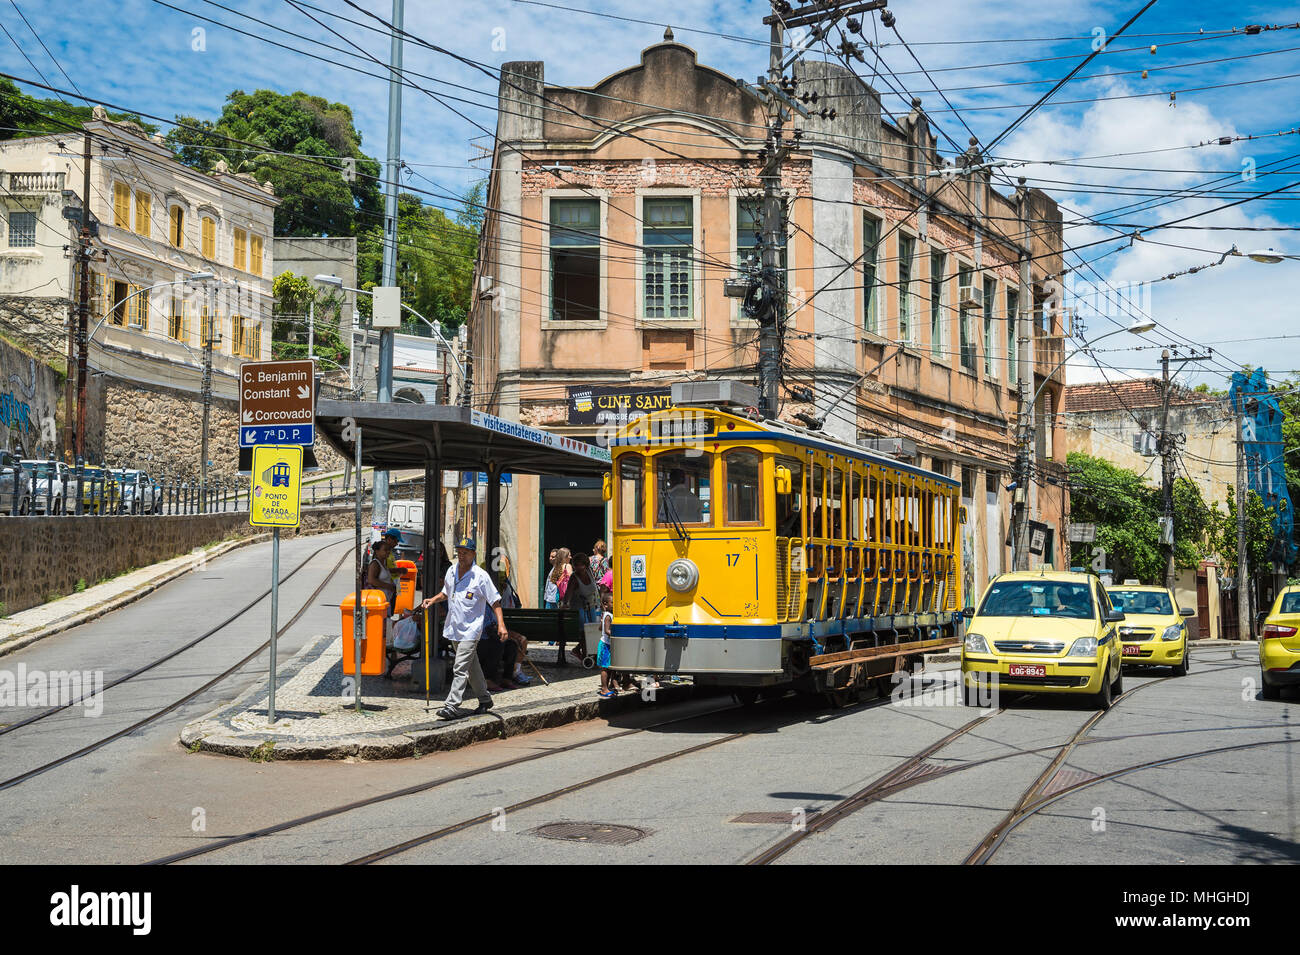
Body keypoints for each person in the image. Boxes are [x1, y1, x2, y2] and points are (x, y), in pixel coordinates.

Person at [419, 537, 508, 720]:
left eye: (465, 553)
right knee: (472, 667)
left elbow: (495, 601)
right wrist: (433, 600)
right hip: (454, 628)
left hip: (471, 630)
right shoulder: (452, 571)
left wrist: (501, 624)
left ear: (473, 554)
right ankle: (485, 699)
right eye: (459, 552)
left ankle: (451, 706)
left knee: (459, 668)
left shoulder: (480, 576)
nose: (461, 556)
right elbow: (446, 592)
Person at [364, 535, 398, 611]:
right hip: (377, 602)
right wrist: (388, 586)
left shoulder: (383, 562)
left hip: (385, 601)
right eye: (385, 550)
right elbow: (371, 580)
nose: (388, 552)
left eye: (389, 550)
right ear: (377, 551)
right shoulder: (375, 564)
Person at [597, 591, 616, 698]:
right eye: (612, 603)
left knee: (608, 667)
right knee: (605, 668)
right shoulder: (608, 616)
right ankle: (604, 688)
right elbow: (607, 630)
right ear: (605, 604)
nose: (614, 605)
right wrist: (616, 634)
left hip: (608, 645)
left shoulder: (607, 615)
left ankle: (607, 687)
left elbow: (600, 628)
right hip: (605, 645)